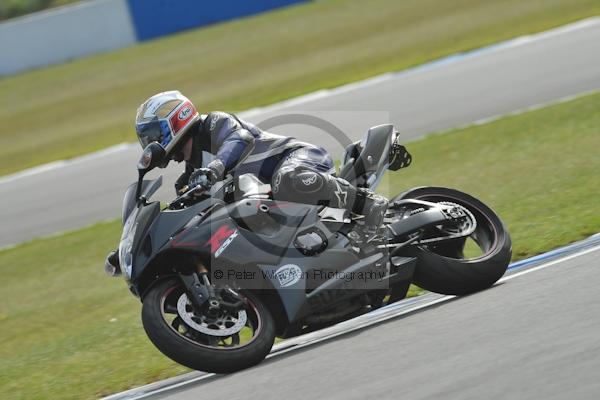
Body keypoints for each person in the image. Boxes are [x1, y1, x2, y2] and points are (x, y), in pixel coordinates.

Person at [134, 90, 392, 233]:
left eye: (153, 135)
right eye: (147, 139)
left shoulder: (214, 124)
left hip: (295, 160)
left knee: (288, 180)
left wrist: (215, 169)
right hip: (275, 202)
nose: (151, 143)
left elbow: (239, 139)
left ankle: (369, 203)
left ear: (176, 121)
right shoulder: (190, 178)